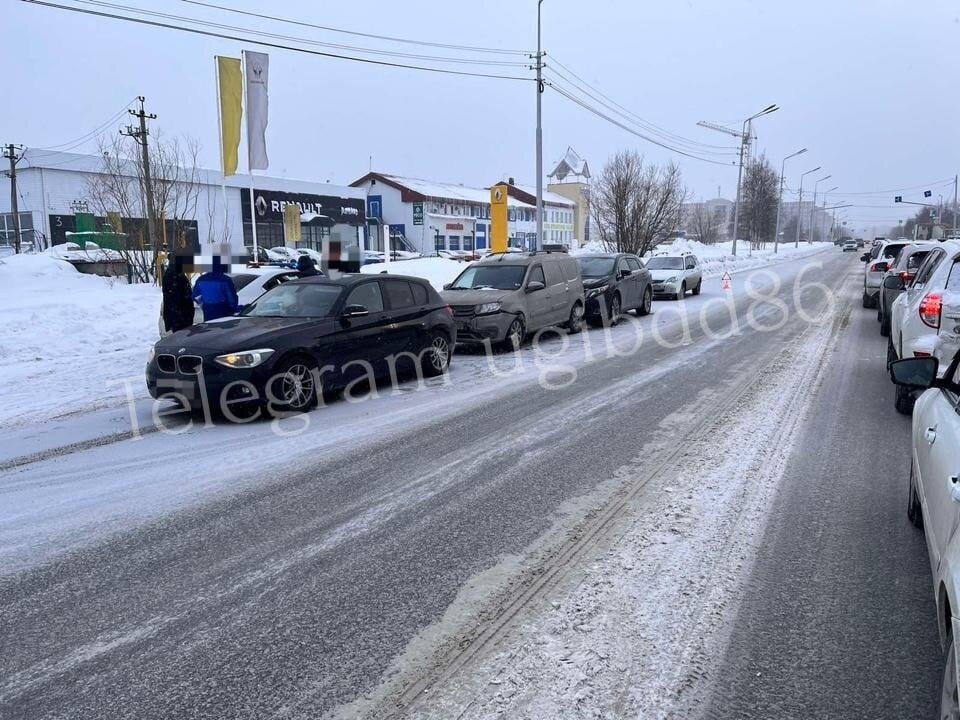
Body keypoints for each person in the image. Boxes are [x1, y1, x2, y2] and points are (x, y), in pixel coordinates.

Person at [192, 254, 239, 321]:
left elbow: (196, 297)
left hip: (208, 312)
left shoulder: (201, 279)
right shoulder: (225, 280)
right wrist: (234, 308)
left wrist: (205, 303)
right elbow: (232, 299)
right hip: (223, 311)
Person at [161, 252, 196, 334]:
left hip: (174, 314)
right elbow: (184, 295)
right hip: (181, 315)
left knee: (178, 336)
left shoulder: (170, 273)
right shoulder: (178, 275)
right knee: (182, 337)